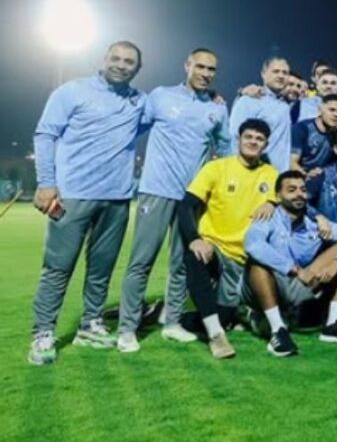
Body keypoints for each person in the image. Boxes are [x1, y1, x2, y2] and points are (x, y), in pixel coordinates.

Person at [29, 41, 146, 365]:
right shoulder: (71, 91)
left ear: (137, 68)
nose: (121, 65)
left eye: (129, 62)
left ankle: (90, 325)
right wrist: (46, 183)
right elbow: (45, 135)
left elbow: (170, 114)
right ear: (104, 59)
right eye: (116, 58)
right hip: (73, 195)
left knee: (101, 269)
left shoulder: (140, 102)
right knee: (57, 268)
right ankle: (42, 333)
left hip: (117, 198)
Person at [117, 48, 231, 353]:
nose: (205, 73)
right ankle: (127, 329)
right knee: (141, 261)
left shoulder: (218, 109)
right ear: (187, 66)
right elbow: (133, 127)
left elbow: (225, 149)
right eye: (200, 67)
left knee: (181, 263)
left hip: (191, 198)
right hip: (156, 190)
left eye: (211, 69)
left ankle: (172, 323)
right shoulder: (161, 96)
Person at [177, 118, 279, 359]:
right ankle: (216, 335)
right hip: (215, 248)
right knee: (194, 256)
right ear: (238, 140)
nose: (253, 142)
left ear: (265, 144)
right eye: (248, 137)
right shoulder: (216, 168)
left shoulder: (271, 174)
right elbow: (186, 205)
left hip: (245, 258)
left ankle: (195, 316)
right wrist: (194, 238)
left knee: (220, 316)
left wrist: (272, 202)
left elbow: (287, 201)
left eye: (259, 139)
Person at [244, 171, 337, 356]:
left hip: (297, 285)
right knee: (256, 263)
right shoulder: (268, 217)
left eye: (302, 189)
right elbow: (252, 245)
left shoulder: (315, 224)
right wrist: (294, 269)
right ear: (278, 196)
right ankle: (278, 330)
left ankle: (333, 323)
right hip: (266, 282)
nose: (299, 194)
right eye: (291, 190)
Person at [230, 57, 292, 169]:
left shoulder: (286, 105)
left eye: (285, 73)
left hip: (281, 173)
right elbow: (234, 137)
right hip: (254, 172)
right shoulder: (248, 101)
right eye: (276, 71)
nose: (281, 76)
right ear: (263, 74)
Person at [289, 93, 337, 176]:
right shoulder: (302, 128)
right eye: (332, 110)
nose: (336, 115)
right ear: (320, 111)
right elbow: (292, 163)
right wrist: (307, 175)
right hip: (298, 176)